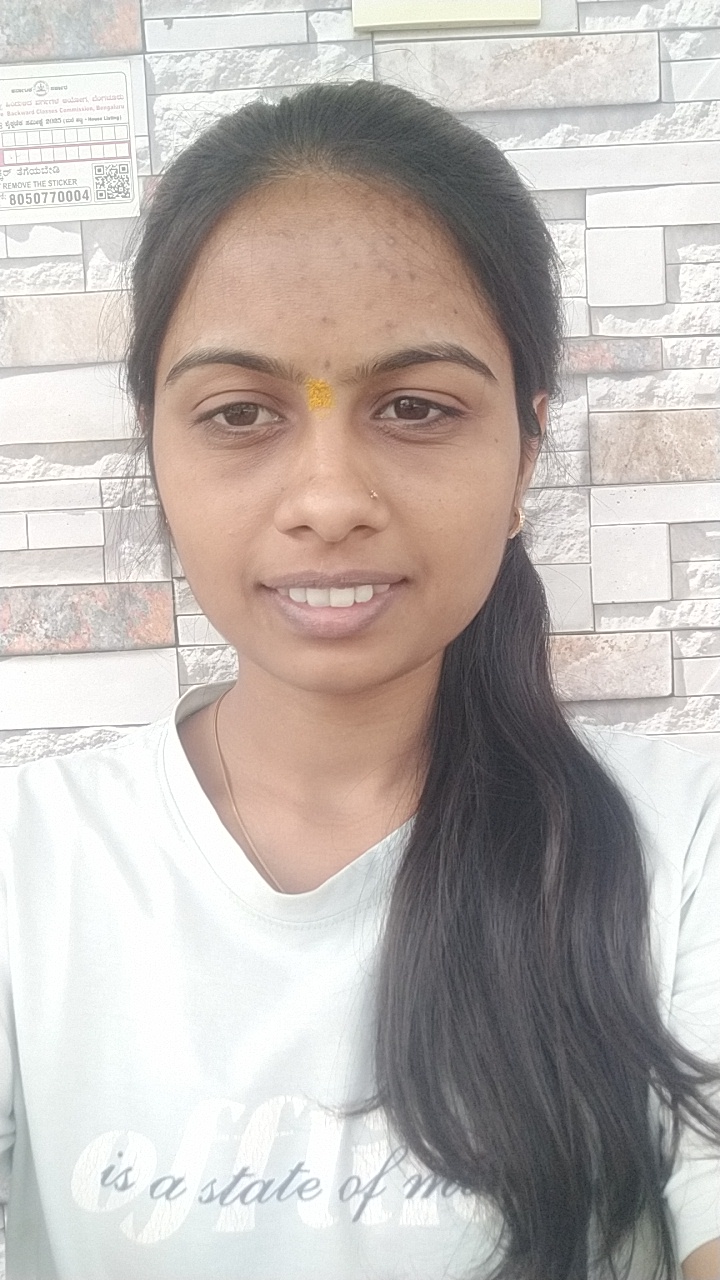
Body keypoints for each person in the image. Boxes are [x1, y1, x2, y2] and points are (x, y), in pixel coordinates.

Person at [0, 80, 718, 1280]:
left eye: (417, 406)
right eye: (241, 412)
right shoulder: (27, 866)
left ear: (525, 450)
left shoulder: (684, 845)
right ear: (156, 446)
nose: (329, 499)